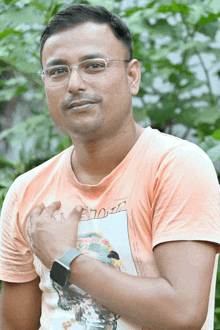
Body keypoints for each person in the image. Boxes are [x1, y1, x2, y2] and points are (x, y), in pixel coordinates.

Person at [0, 4, 220, 330]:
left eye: (94, 65)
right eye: (57, 71)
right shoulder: (27, 191)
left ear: (132, 76)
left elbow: (183, 312)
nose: (74, 83)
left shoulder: (176, 166)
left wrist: (65, 257)